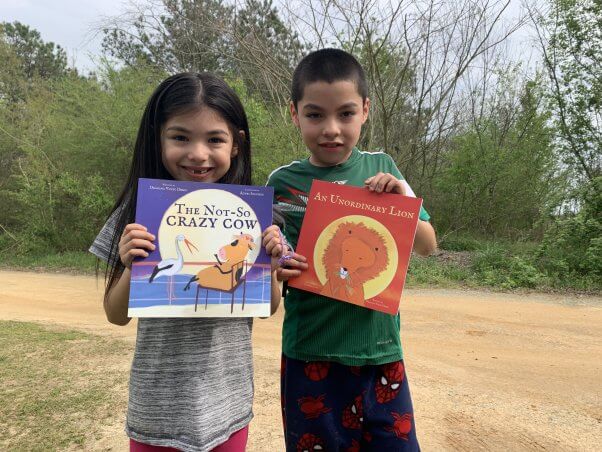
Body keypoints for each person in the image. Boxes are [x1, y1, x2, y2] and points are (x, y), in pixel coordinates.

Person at [90, 72, 290, 452]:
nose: (198, 154)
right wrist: (134, 264)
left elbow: (268, 309)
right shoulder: (135, 215)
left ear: (235, 145)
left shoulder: (256, 216)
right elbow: (115, 315)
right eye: (180, 137)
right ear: (158, 138)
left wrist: (272, 266)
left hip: (228, 409)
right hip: (156, 414)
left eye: (214, 139)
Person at [266, 48, 437, 451]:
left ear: (365, 110)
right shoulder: (282, 181)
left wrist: (401, 201)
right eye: (314, 115)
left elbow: (428, 245)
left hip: (380, 354)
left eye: (345, 114)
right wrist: (280, 267)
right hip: (310, 353)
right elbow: (273, 264)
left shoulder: (385, 168)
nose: (331, 129)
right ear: (294, 114)